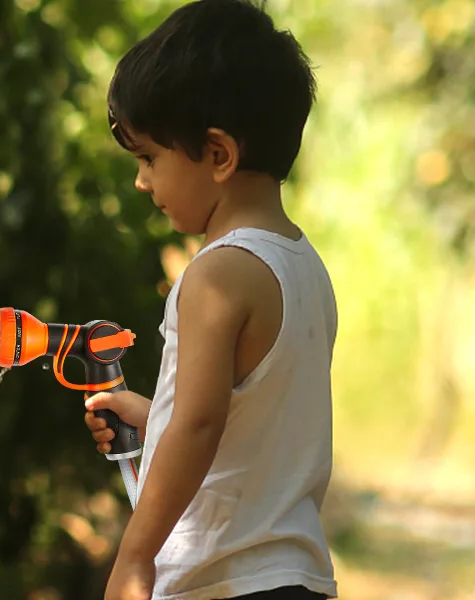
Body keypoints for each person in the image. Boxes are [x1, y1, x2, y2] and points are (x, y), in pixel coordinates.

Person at [82, 1, 340, 599]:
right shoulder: (303, 265)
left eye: (149, 157)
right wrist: (155, 420)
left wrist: (136, 559)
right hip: (295, 577)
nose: (142, 180)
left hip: (221, 583)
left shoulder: (216, 275)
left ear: (219, 154)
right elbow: (248, 422)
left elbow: (198, 425)